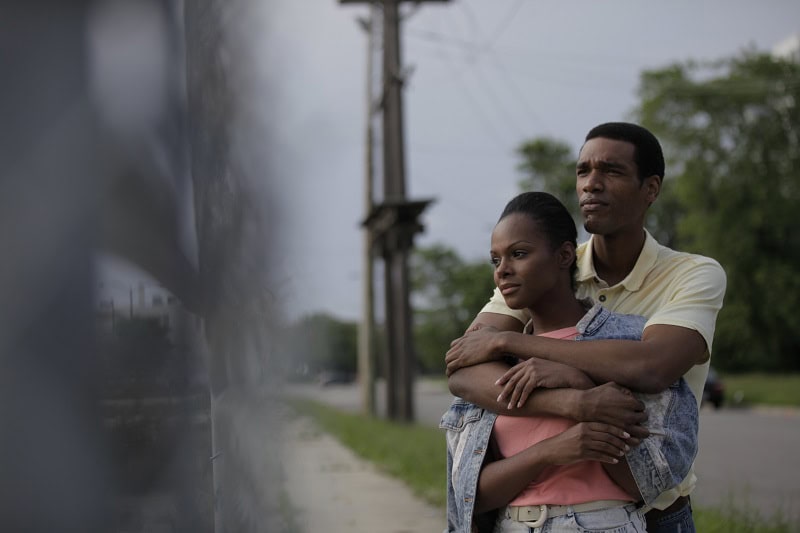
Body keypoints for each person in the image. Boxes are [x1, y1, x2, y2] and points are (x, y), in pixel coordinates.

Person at [445, 122, 727, 532]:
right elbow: (464, 368)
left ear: (650, 188)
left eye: (611, 171)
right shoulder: (543, 268)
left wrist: (512, 343)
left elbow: (652, 367)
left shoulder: (692, 274)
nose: (591, 184)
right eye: (583, 171)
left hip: (657, 514)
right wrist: (572, 403)